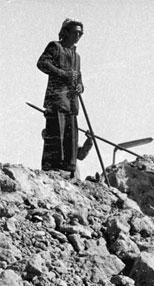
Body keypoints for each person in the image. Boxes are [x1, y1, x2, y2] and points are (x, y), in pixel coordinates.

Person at [37, 18, 84, 176]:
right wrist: (63, 74)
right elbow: (42, 63)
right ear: (66, 32)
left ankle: (68, 170)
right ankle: (52, 169)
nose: (78, 36)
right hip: (57, 100)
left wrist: (80, 87)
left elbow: (79, 78)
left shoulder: (77, 56)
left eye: (81, 34)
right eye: (75, 32)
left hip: (72, 103)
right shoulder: (55, 47)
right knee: (56, 135)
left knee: (70, 138)